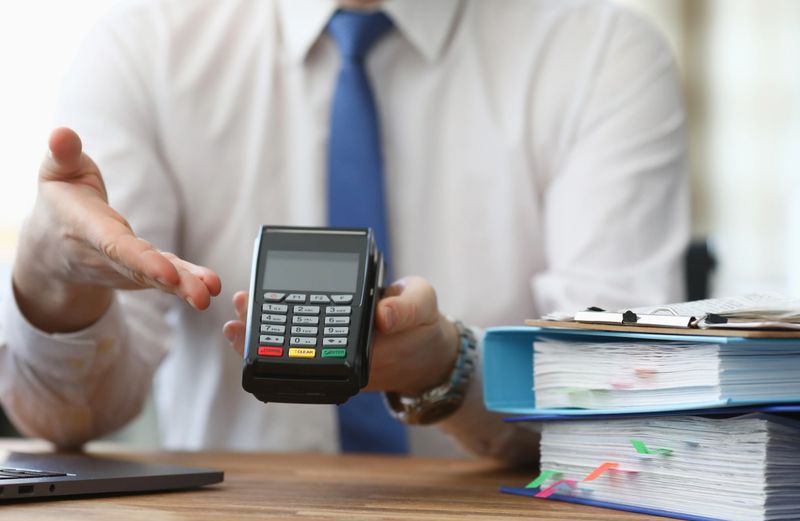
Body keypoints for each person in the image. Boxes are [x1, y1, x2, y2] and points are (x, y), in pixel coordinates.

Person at [0, 0, 688, 461]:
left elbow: (618, 397)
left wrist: (453, 371)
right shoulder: (142, 44)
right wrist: (52, 288)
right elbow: (69, 419)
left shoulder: (603, 49)